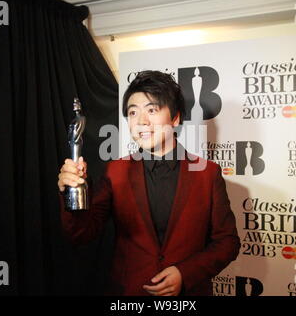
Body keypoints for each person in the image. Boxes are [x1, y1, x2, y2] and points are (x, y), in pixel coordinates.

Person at [58, 70, 240, 296]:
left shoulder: (207, 173)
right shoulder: (116, 171)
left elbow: (227, 242)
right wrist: (72, 191)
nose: (141, 121)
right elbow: (81, 233)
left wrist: (185, 273)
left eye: (152, 110)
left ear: (175, 118)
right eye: (133, 113)